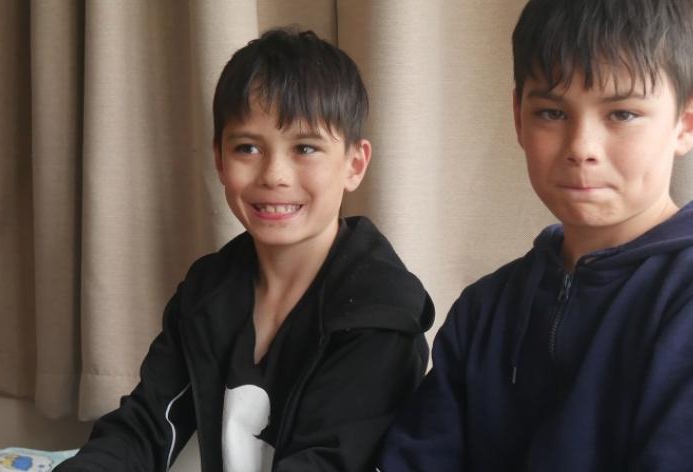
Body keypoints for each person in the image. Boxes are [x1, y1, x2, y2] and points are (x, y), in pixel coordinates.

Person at [378, 0, 693, 470]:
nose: (582, 148)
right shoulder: (484, 311)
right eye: (552, 114)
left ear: (686, 122)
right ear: (519, 117)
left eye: (622, 114)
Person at [58, 28, 434, 472]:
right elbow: (144, 427)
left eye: (306, 148)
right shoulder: (207, 290)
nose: (274, 174)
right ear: (219, 160)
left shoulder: (382, 313)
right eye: (248, 148)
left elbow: (327, 463)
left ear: (354, 164)